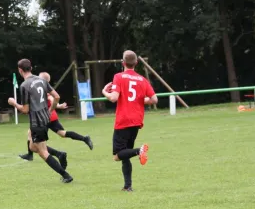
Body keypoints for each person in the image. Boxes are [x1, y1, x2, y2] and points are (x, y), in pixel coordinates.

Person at [8, 59, 74, 183]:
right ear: (31, 68)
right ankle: (60, 154)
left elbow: (25, 110)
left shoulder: (24, 86)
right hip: (45, 119)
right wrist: (50, 110)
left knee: (42, 152)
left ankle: (66, 175)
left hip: (36, 122)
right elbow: (57, 96)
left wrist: (14, 103)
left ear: (20, 70)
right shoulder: (42, 80)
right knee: (33, 147)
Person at [102, 50, 157, 192]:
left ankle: (139, 151)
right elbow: (154, 99)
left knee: (117, 156)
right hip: (137, 121)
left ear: (123, 63)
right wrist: (140, 100)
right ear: (136, 63)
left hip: (123, 120)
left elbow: (114, 98)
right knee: (126, 153)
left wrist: (104, 92)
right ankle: (128, 186)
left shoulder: (119, 77)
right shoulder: (142, 80)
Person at [19, 72, 93, 161]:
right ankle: (84, 138)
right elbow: (51, 101)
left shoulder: (43, 90)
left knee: (35, 140)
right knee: (62, 133)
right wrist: (59, 106)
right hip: (52, 116)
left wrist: (57, 105)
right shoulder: (45, 88)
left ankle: (38, 154)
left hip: (44, 117)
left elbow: (51, 99)